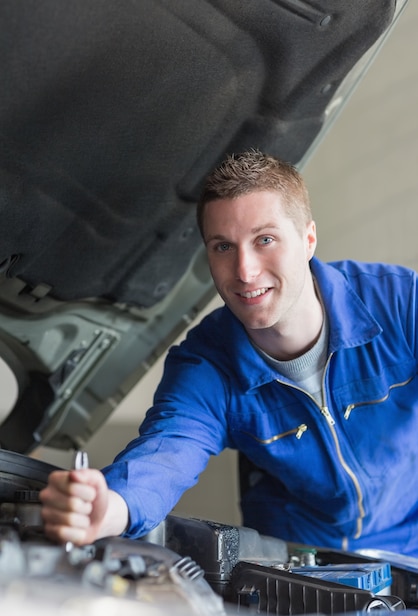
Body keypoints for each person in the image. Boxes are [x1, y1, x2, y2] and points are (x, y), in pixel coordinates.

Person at [40, 149, 418, 557]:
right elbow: (166, 455)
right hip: (303, 563)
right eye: (223, 247)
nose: (244, 271)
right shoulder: (207, 364)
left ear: (308, 239)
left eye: (265, 240)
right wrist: (110, 507)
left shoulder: (400, 302)